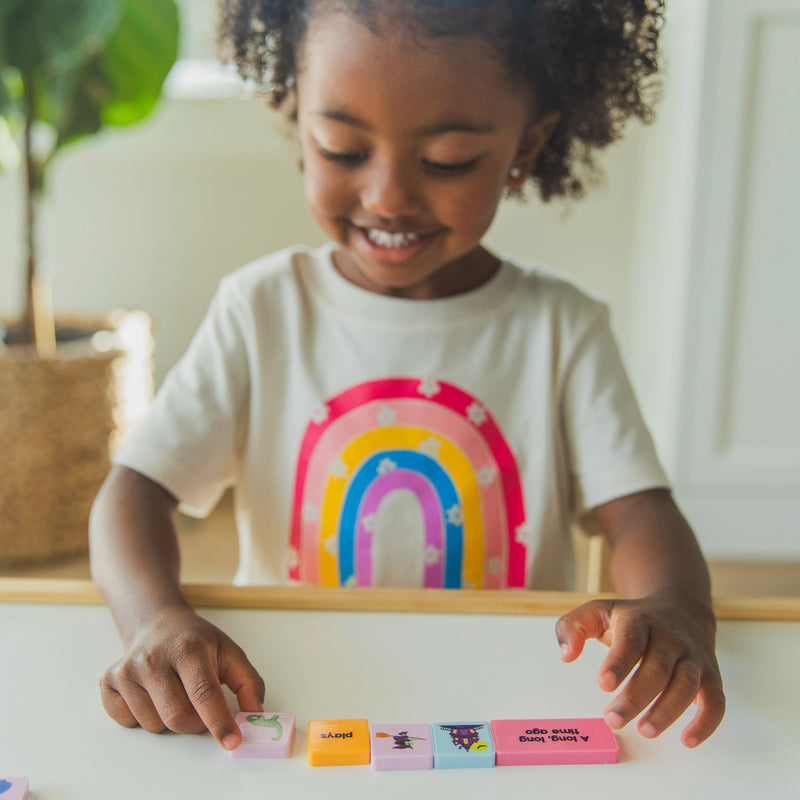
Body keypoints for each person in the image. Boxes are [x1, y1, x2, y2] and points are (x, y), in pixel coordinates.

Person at [89, 0, 725, 754]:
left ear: (527, 145)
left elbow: (644, 516)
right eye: (342, 147)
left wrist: (676, 607)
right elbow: (132, 494)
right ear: (298, 119)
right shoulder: (261, 310)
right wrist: (155, 618)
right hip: (302, 700)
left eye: (448, 160)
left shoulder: (562, 329)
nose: (388, 195)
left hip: (505, 709)